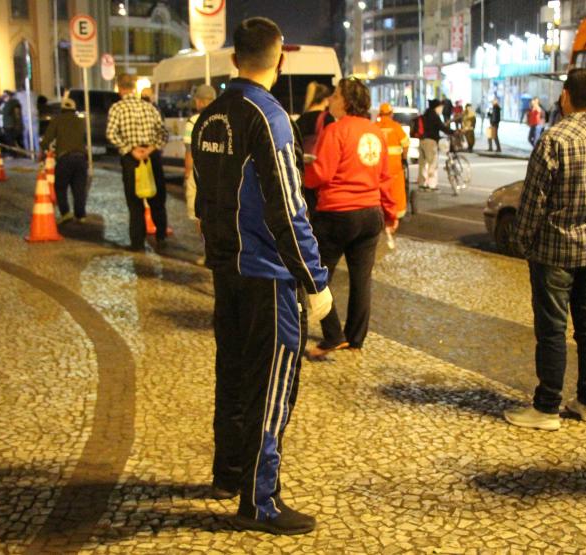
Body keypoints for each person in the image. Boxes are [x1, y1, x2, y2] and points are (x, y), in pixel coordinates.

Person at [191, 16, 332, 536]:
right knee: (270, 385)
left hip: (225, 268)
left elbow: (204, 199)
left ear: (234, 59)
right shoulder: (269, 117)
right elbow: (289, 209)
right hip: (267, 274)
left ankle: (228, 473)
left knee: (232, 375)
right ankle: (260, 499)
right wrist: (315, 281)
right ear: (280, 60)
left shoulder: (209, 116)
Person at [504, 68, 586, 432]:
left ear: (566, 96)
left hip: (553, 252)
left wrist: (523, 242)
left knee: (552, 330)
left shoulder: (553, 140)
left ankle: (547, 407)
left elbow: (533, 201)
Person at [303, 77, 398, 359]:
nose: (331, 100)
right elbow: (386, 177)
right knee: (361, 279)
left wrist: (303, 174)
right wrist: (390, 212)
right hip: (370, 213)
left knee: (318, 275)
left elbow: (322, 174)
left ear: (345, 101)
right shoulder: (375, 132)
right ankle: (355, 338)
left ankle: (333, 335)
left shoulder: (335, 130)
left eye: (335, 95)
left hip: (337, 213)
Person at [106, 73, 169, 252]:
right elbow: (163, 133)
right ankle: (161, 236)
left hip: (131, 159)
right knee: (157, 199)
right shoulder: (149, 108)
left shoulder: (117, 108)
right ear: (134, 88)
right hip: (152, 156)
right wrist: (150, 149)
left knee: (134, 203)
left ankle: (137, 242)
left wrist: (131, 150)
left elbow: (111, 134)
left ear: (119, 88)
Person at [41, 97, 88, 223]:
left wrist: (44, 149)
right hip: (81, 158)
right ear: (74, 108)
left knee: (60, 187)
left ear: (62, 108)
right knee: (79, 188)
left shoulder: (57, 120)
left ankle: (66, 213)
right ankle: (80, 215)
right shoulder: (80, 121)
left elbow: (47, 139)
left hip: (65, 158)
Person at [183, 83, 217, 227]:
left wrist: (187, 173)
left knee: (199, 213)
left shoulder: (193, 121)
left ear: (200, 101)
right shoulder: (223, 118)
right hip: (218, 171)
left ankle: (204, 239)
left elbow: (189, 151)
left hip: (198, 171)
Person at [375, 102, 410, 218]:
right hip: (394, 165)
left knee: (380, 189)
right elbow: (405, 144)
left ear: (380, 114)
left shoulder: (374, 127)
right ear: (391, 114)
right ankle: (398, 212)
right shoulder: (396, 127)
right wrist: (404, 159)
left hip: (379, 166)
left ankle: (381, 211)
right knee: (396, 188)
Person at [418, 99, 453, 191]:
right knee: (432, 163)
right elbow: (442, 127)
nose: (441, 109)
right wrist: (453, 132)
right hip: (430, 142)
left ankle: (422, 183)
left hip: (422, 141)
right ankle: (432, 185)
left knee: (423, 164)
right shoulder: (434, 116)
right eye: (441, 107)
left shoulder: (426, 114)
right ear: (436, 107)